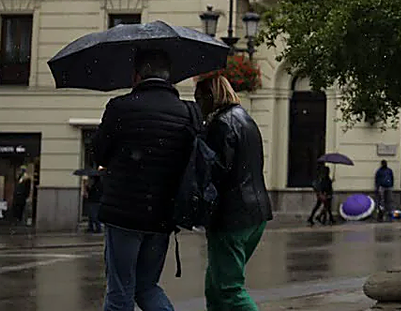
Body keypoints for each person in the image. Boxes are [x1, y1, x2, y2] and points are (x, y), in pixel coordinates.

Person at [94, 49, 196, 311]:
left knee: (120, 290)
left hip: (123, 213)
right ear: (168, 76)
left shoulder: (119, 107)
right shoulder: (185, 113)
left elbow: (100, 153)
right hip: (162, 214)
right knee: (147, 287)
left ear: (136, 76)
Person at [195, 75, 273, 311]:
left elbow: (216, 171)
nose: (197, 104)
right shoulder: (247, 119)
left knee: (229, 289)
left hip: (231, 215)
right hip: (255, 213)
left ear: (211, 96)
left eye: (199, 98)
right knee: (216, 284)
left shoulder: (221, 124)